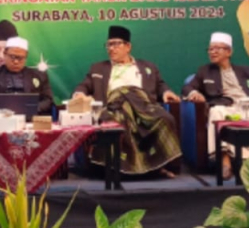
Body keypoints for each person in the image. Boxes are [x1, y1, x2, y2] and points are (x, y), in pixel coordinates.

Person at [74, 25, 182, 177]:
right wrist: (79, 94)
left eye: (116, 44)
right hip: (114, 107)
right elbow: (84, 85)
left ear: (128, 47)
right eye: (109, 45)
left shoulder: (148, 67)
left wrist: (166, 92)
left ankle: (160, 165)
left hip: (144, 107)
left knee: (166, 118)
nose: (111, 48)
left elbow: (160, 84)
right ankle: (117, 169)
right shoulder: (98, 68)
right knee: (114, 120)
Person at [183, 32, 249, 179]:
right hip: (224, 107)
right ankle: (225, 162)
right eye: (210, 49)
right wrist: (194, 93)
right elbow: (187, 87)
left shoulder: (247, 71)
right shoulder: (204, 71)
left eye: (217, 48)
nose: (213, 52)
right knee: (216, 112)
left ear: (229, 52)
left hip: (248, 106)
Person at [0, 37, 54, 116]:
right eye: (12, 57)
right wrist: (1, 109)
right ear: (5, 54)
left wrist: (31, 108)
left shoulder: (39, 75)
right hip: (0, 118)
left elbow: (48, 100)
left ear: (26, 58)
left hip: (30, 118)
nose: (16, 61)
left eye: (20, 58)